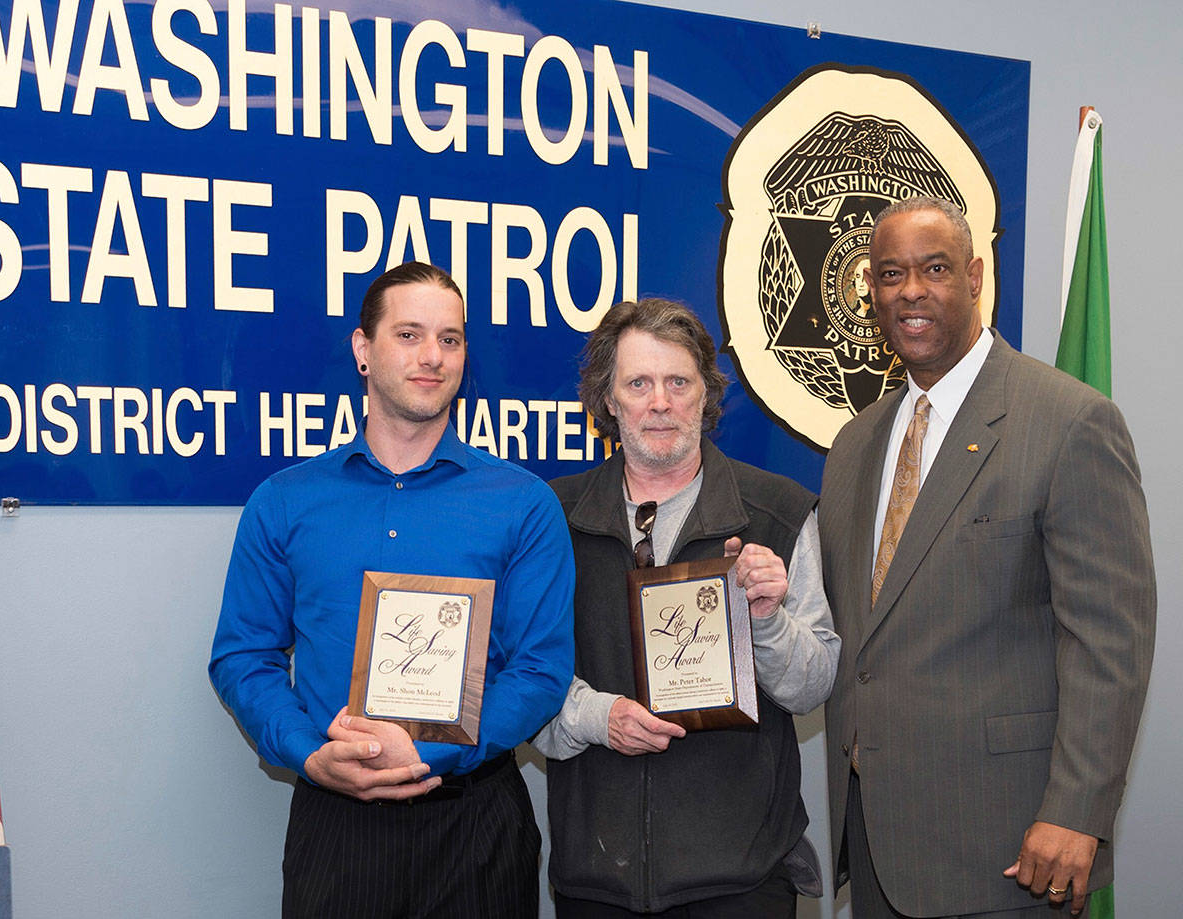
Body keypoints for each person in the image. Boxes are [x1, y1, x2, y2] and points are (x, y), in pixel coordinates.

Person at [818, 197, 1155, 918]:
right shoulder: (854, 447)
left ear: (975, 276)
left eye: (934, 268)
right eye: (889, 273)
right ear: (870, 292)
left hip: (1008, 851)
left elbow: (1110, 639)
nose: (910, 290)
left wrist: (1078, 810)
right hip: (877, 850)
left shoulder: (1068, 422)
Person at [209, 261, 575, 918]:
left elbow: (542, 670)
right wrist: (310, 753)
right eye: (409, 334)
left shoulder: (523, 503)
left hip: (477, 823)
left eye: (451, 339)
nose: (433, 356)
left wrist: (429, 749)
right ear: (362, 350)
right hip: (336, 817)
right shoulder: (284, 502)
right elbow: (243, 657)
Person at [534, 298, 840, 917]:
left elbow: (815, 684)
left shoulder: (778, 513)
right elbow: (519, 681)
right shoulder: (550, 520)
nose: (660, 402)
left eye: (679, 382)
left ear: (707, 394)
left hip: (741, 880)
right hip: (597, 879)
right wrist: (597, 717)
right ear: (608, 399)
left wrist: (765, 620)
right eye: (638, 384)